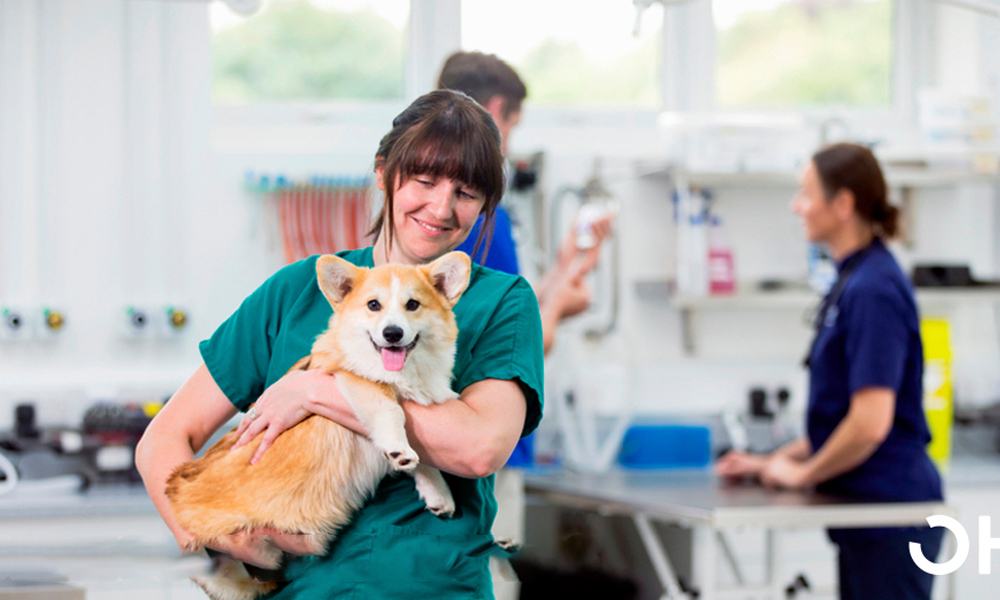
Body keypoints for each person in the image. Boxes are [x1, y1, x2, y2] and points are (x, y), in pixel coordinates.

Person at [136, 89, 544, 598]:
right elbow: (164, 439)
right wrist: (219, 535)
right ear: (383, 173)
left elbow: (480, 448)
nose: (441, 207)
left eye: (467, 193)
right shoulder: (298, 290)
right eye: (424, 180)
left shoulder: (500, 301)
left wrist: (315, 392)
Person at [715, 143, 943, 600]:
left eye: (806, 194)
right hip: (867, 513)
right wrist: (774, 460)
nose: (796, 206)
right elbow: (844, 420)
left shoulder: (874, 290)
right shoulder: (853, 280)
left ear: (842, 205)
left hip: (891, 512)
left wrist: (805, 472)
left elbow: (870, 423)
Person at [439, 50, 613, 355]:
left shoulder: (470, 208)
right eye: (512, 127)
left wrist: (566, 264)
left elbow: (511, 305)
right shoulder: (470, 216)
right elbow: (511, 344)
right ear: (496, 110)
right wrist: (558, 306)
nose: (509, 143)